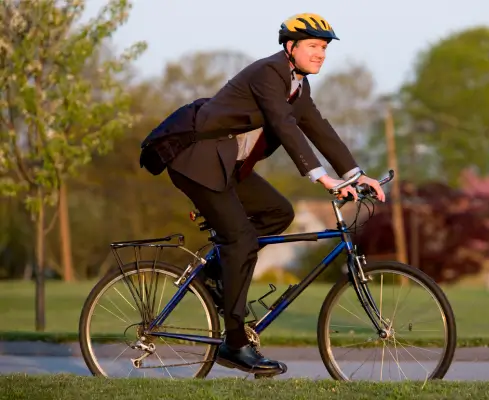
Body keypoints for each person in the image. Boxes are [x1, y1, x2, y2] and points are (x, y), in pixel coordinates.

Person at [140, 12, 385, 376]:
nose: (321, 54)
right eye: (314, 46)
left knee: (277, 213)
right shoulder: (268, 74)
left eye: (324, 48)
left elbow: (319, 129)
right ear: (290, 47)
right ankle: (235, 344)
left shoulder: (298, 87)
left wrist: (357, 174)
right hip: (195, 158)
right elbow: (285, 127)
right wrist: (324, 180)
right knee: (239, 240)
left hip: (226, 163)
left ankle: (214, 276)